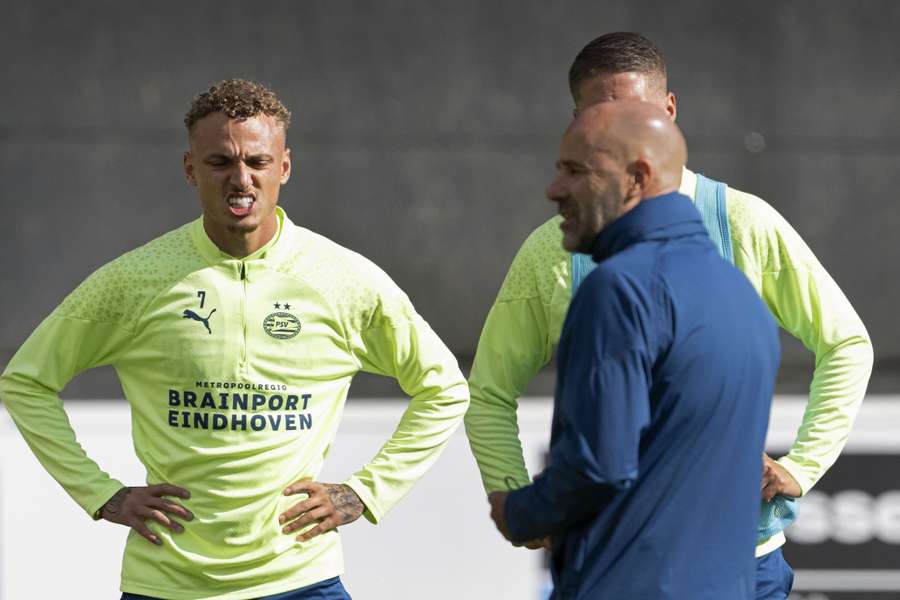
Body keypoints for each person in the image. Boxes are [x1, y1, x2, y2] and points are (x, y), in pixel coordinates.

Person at [0, 79, 469, 600]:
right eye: (220, 162)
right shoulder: (135, 280)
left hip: (302, 580)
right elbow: (26, 382)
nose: (240, 179)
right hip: (167, 584)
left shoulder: (343, 278)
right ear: (189, 169)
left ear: (284, 167)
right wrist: (102, 495)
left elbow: (444, 388)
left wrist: (363, 492)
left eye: (257, 162)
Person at [465, 32, 873, 598]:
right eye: (598, 117)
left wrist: (802, 465)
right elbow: (488, 392)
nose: (615, 133)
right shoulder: (549, 252)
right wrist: (511, 490)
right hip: (626, 563)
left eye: (632, 113)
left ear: (669, 112)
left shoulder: (743, 223)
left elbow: (847, 344)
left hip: (720, 563)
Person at [488, 99, 779, 599]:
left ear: (637, 176)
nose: (554, 190)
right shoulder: (739, 295)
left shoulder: (619, 289)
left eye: (576, 171)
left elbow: (598, 467)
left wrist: (518, 510)